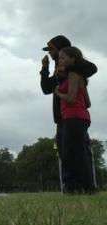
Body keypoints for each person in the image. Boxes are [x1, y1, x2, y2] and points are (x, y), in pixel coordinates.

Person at [40, 35, 97, 191]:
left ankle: (85, 186)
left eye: (51, 49)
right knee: (66, 154)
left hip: (74, 117)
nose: (49, 53)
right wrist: (45, 69)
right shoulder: (58, 71)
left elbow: (92, 68)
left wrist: (67, 68)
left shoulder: (73, 68)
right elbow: (46, 89)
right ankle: (72, 186)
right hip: (62, 118)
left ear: (61, 49)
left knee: (79, 153)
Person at [54, 46, 95, 194]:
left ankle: (86, 187)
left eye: (63, 57)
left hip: (73, 117)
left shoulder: (73, 75)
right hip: (80, 117)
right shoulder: (79, 76)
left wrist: (58, 92)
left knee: (71, 155)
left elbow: (71, 99)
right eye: (59, 58)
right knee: (76, 153)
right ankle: (84, 187)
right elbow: (88, 103)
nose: (60, 60)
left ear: (73, 59)